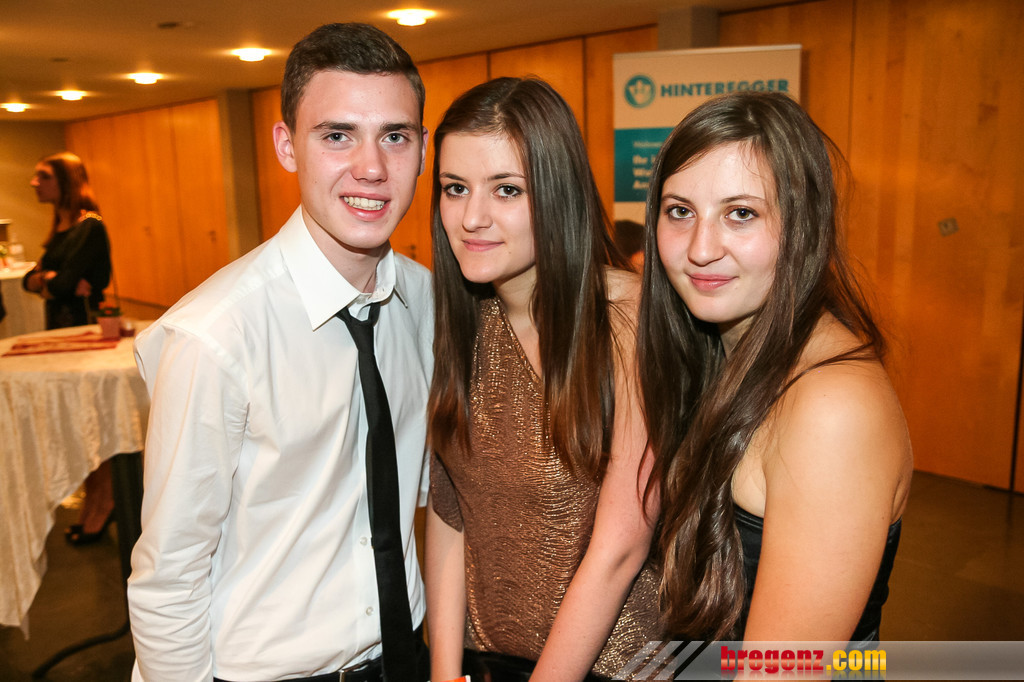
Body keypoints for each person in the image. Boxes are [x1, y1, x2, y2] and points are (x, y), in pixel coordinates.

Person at [128, 23, 432, 682]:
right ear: (287, 147)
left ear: (422, 150)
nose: (372, 167)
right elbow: (169, 574)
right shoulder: (218, 334)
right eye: (337, 135)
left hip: (408, 652)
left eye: (395, 136)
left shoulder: (426, 301)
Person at [638, 92, 912, 646]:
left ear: (803, 226)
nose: (700, 248)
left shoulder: (832, 408)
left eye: (741, 213)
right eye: (680, 211)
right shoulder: (719, 348)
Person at [426, 77, 660, 682]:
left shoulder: (626, 320)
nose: (472, 218)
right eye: (455, 188)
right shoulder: (462, 320)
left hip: (617, 667)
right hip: (489, 658)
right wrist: (443, 672)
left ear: (557, 194)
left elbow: (621, 547)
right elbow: (452, 515)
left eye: (507, 189)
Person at [24, 151, 115, 546]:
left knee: (92, 419)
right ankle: (95, 498)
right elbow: (33, 279)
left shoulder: (89, 226)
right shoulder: (61, 230)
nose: (34, 183)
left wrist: (50, 281)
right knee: (76, 422)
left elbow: (63, 284)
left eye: (43, 176)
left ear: (65, 181)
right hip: (60, 329)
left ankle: (104, 498)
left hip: (84, 330)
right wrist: (50, 279)